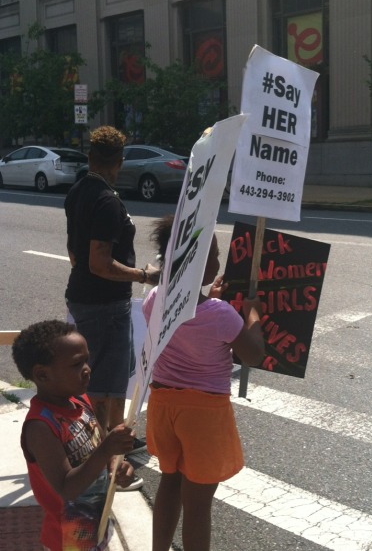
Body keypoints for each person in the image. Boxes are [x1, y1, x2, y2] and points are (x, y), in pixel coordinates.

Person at [143, 215, 265, 551]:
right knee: (198, 504)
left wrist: (207, 294)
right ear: (197, 264)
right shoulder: (221, 314)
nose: (218, 260)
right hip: (204, 413)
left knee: (169, 481)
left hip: (163, 404)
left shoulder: (155, 298)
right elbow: (253, 354)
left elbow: (186, 317)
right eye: (213, 255)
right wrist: (252, 313)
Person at [64, 125, 159, 457]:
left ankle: (107, 443)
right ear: (119, 161)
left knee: (102, 379)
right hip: (104, 305)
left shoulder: (77, 192)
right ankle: (110, 458)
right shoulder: (106, 201)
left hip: (86, 299)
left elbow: (74, 253)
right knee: (109, 385)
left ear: (90, 157)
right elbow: (98, 262)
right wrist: (144, 276)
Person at [11, 320, 137, 551]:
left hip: (95, 523)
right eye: (76, 364)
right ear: (42, 375)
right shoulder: (41, 426)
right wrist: (107, 450)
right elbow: (66, 487)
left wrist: (116, 465)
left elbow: (99, 444)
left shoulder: (79, 401)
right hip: (67, 538)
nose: (87, 368)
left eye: (86, 360)